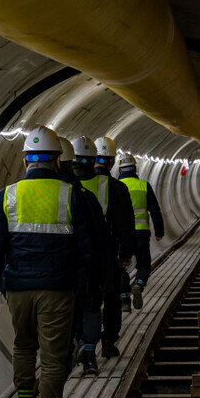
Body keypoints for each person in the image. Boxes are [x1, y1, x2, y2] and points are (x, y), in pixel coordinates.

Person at [0, 126, 99, 398]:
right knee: (53, 357)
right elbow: (87, 246)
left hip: (18, 288)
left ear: (25, 162)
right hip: (58, 289)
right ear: (58, 162)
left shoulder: (6, 195)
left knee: (23, 347)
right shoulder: (70, 195)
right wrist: (91, 285)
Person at [56, 137, 109, 377]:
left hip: (54, 276)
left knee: (60, 326)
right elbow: (97, 237)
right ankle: (89, 355)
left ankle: (55, 388)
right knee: (89, 308)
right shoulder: (84, 196)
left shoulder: (15, 193)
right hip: (82, 270)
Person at [81, 136, 136, 360]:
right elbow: (126, 224)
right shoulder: (118, 188)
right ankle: (109, 342)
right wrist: (126, 253)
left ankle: (86, 345)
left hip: (85, 254)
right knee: (112, 298)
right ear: (112, 162)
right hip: (110, 254)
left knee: (89, 298)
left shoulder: (79, 185)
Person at [117, 153, 163, 311]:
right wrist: (159, 231)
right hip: (141, 233)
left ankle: (124, 298)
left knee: (121, 265)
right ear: (136, 169)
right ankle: (139, 284)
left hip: (122, 235)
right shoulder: (143, 185)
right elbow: (155, 210)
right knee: (143, 264)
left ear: (119, 171)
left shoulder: (115, 186)